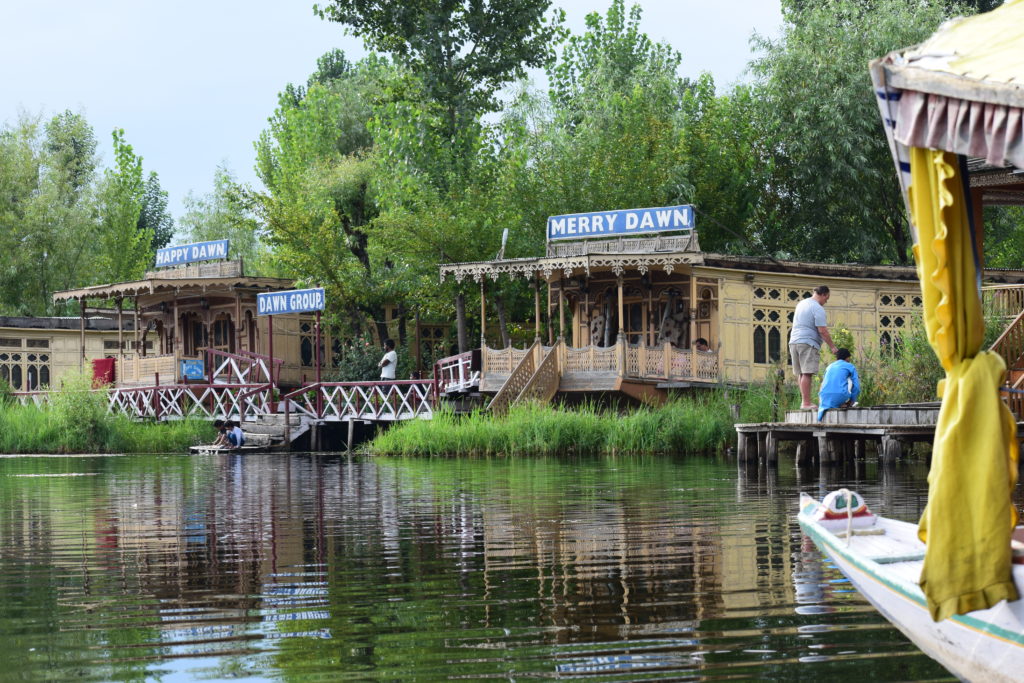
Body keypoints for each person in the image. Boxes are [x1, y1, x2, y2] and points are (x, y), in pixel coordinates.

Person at [789, 285, 838, 410]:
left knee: (801, 373)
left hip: (794, 341)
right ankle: (806, 403)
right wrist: (832, 347)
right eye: (826, 299)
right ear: (824, 294)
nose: (825, 302)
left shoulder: (801, 303)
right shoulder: (817, 308)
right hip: (808, 342)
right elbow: (822, 330)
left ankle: (804, 402)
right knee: (807, 373)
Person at [817, 348, 860, 421]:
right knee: (851, 380)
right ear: (847, 357)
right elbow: (856, 387)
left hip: (823, 397)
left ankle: (836, 403)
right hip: (840, 395)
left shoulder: (829, 367)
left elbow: (824, 383)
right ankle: (842, 403)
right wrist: (851, 402)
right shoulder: (849, 366)